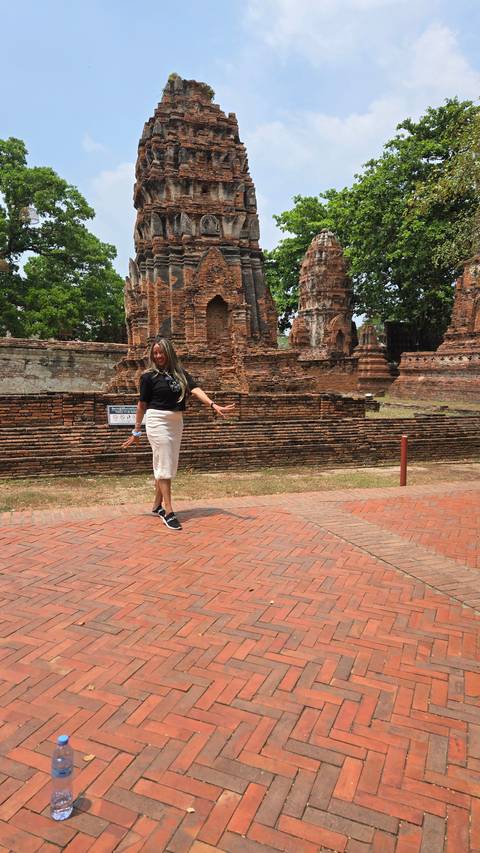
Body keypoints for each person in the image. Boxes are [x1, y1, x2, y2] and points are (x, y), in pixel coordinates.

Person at [121, 336, 235, 530]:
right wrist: (136, 431)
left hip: (176, 422)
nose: (158, 356)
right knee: (164, 462)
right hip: (157, 420)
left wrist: (214, 405)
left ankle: (156, 505)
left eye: (161, 352)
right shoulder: (148, 377)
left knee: (167, 463)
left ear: (169, 352)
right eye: (155, 353)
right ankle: (169, 511)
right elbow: (141, 405)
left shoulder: (180, 373)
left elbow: (196, 389)